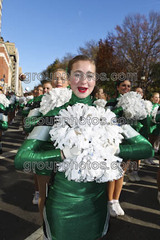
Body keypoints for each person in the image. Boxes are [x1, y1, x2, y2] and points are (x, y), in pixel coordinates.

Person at [15, 55, 153, 240]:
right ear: (70, 79)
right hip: (61, 205)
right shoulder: (54, 114)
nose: (83, 81)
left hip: (96, 206)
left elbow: (146, 149)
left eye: (89, 75)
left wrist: (116, 150)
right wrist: (62, 154)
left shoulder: (108, 115)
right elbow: (22, 158)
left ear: (95, 80)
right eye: (77, 75)